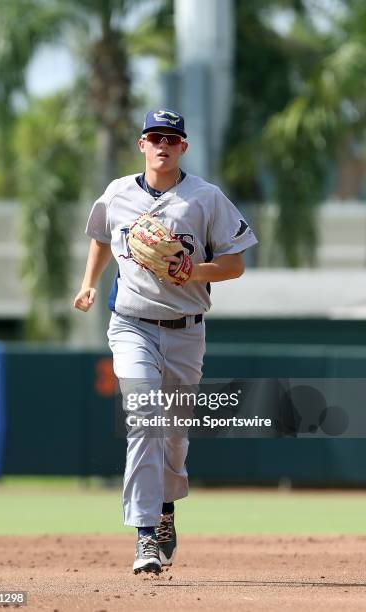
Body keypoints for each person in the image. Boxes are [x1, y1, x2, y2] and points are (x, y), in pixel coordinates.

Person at [74, 108, 258, 574]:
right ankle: (144, 536)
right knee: (146, 419)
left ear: (183, 148)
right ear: (141, 144)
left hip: (185, 330)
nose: (162, 145)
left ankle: (166, 507)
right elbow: (100, 236)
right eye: (154, 137)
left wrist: (194, 270)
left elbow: (236, 263)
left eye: (171, 139)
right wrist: (90, 281)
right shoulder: (118, 193)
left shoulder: (205, 198)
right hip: (131, 324)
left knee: (173, 437)